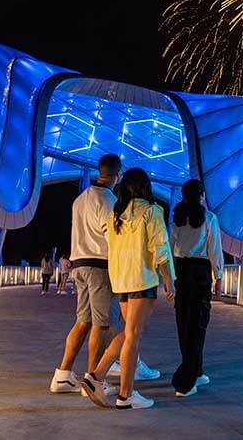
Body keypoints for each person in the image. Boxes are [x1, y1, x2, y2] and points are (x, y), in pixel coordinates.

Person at [49, 155, 160, 396]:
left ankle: (63, 375)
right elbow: (114, 238)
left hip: (79, 265)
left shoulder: (79, 200)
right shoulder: (108, 200)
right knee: (103, 324)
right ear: (118, 175)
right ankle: (94, 380)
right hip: (100, 267)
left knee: (83, 321)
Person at [82, 168, 175, 410]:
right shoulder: (152, 211)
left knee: (129, 332)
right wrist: (168, 279)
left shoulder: (116, 215)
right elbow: (160, 247)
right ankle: (125, 395)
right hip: (142, 279)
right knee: (133, 335)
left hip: (121, 281)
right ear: (145, 186)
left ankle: (97, 376)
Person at [169, 179, 223, 397]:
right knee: (198, 323)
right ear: (201, 195)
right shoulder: (209, 218)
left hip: (181, 271)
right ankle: (187, 381)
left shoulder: (177, 219)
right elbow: (215, 249)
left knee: (183, 322)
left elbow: (170, 249)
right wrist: (218, 276)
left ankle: (196, 370)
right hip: (200, 272)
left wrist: (170, 278)